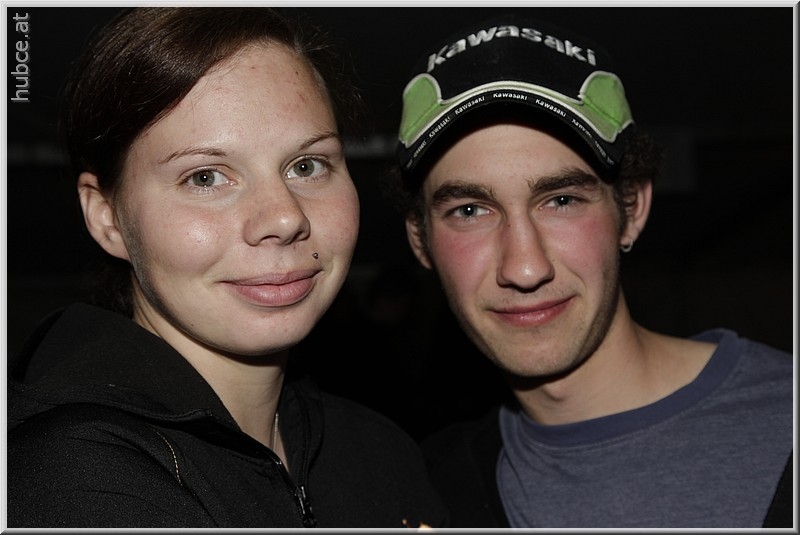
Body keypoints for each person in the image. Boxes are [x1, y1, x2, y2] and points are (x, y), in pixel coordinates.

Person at [6, 7, 446, 528]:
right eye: (206, 177)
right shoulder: (75, 480)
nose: (284, 218)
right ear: (108, 218)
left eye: (306, 166)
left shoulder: (381, 452)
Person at [387, 14, 794, 528]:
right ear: (419, 239)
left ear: (632, 208)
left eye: (561, 200)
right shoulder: (420, 492)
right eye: (469, 210)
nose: (525, 268)